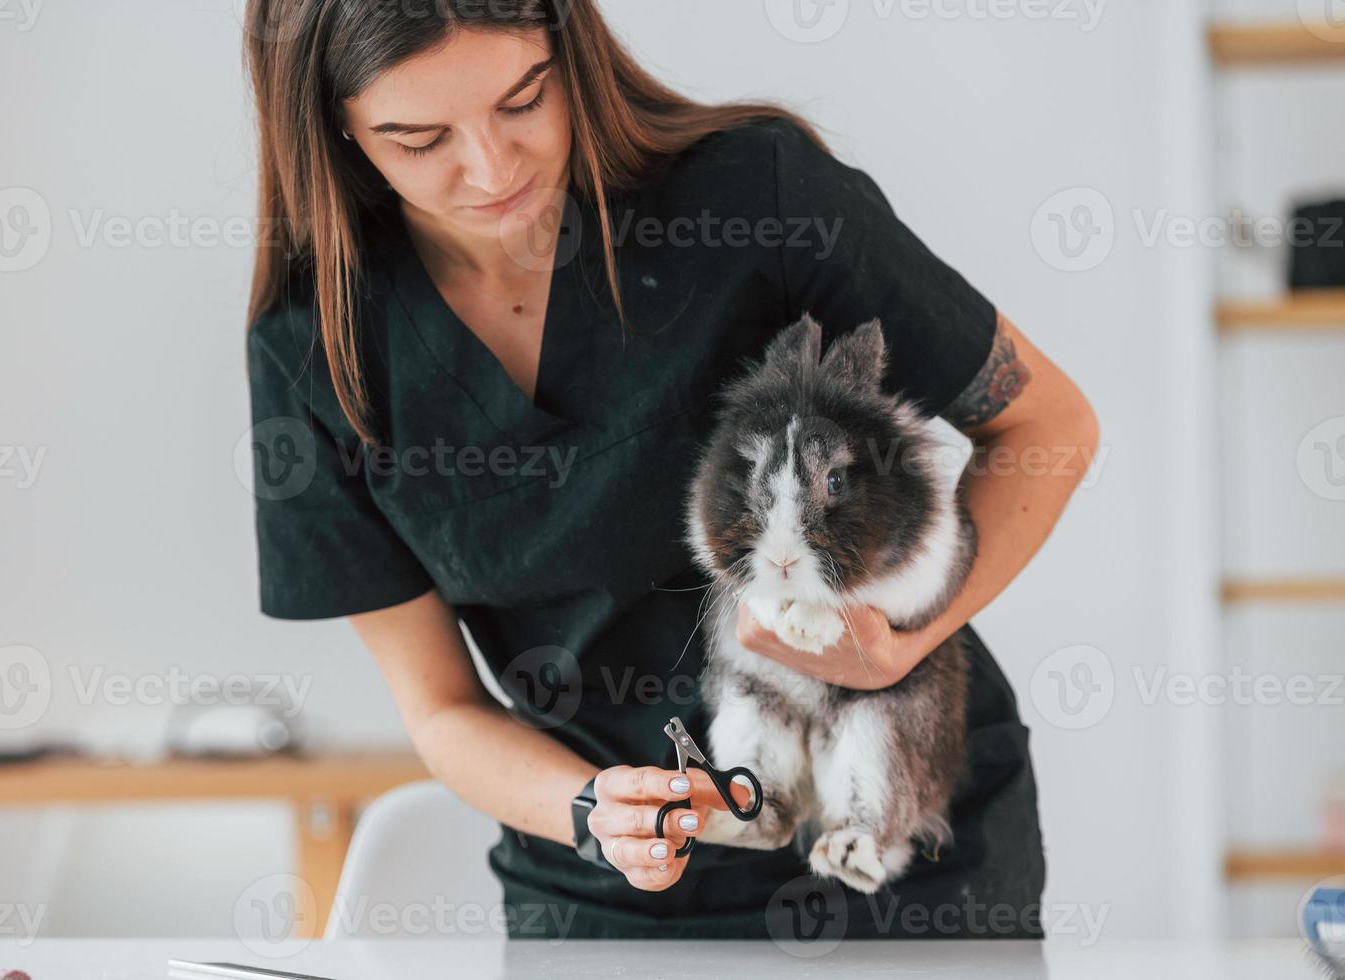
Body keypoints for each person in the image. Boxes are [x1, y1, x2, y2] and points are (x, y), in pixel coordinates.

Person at [242, 0, 1097, 941]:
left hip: (898, 853)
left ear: (572, 55)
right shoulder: (316, 350)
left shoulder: (757, 195)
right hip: (608, 896)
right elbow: (441, 710)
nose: (492, 168)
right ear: (335, 133)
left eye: (524, 100)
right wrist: (595, 813)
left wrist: (896, 644)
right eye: (419, 138)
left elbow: (1045, 426)